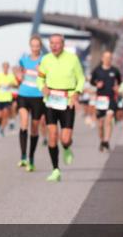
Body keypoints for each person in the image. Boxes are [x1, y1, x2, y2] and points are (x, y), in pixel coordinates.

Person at [37, 34, 86, 182]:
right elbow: (40, 78)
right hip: (51, 101)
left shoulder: (73, 59)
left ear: (63, 44)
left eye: (57, 43)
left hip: (67, 101)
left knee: (64, 139)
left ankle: (66, 147)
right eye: (51, 43)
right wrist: (42, 87)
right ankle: (55, 170)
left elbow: (81, 78)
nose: (54, 46)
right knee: (52, 135)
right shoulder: (45, 59)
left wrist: (77, 93)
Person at [14, 34, 46, 171]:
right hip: (23, 94)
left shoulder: (44, 59)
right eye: (33, 46)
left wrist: (42, 73)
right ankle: (23, 156)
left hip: (38, 96)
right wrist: (18, 74)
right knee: (24, 121)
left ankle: (31, 157)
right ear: (30, 46)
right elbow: (16, 68)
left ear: (40, 46)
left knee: (34, 128)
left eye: (37, 46)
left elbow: (50, 74)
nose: (35, 48)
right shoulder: (24, 59)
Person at [90, 51, 122, 152]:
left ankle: (107, 141)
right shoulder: (97, 70)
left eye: (110, 58)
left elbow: (119, 81)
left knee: (108, 119)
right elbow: (92, 81)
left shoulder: (115, 70)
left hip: (111, 98)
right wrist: (96, 84)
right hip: (100, 99)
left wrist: (117, 87)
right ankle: (102, 141)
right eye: (106, 57)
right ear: (102, 58)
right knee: (100, 124)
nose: (108, 59)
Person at [0, 62, 18, 136]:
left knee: (5, 114)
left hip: (7, 98)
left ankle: (2, 129)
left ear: (8, 68)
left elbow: (16, 85)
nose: (5, 68)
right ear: (2, 67)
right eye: (4, 67)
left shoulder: (11, 76)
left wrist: (11, 84)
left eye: (7, 67)